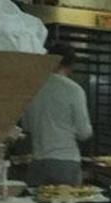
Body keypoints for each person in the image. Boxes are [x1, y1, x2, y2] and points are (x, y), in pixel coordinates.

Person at [21, 41, 92, 186]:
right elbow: (84, 133)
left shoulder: (32, 88)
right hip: (66, 163)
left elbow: (26, 126)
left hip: (38, 163)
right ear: (71, 65)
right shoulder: (74, 90)